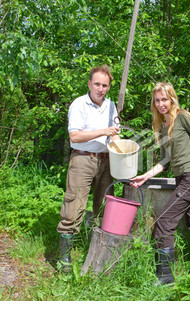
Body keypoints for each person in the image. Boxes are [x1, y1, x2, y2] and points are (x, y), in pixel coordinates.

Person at [130, 82, 190, 286]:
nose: (161, 103)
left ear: (171, 98)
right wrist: (145, 176)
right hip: (182, 178)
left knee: (164, 221)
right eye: (157, 100)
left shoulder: (182, 116)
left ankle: (165, 277)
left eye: (164, 99)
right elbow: (165, 160)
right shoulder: (163, 127)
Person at [57, 65, 120, 273]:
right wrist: (104, 131)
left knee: (104, 206)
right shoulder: (78, 105)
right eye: (97, 84)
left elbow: (115, 134)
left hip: (106, 160)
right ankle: (64, 258)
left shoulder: (111, 106)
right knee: (74, 206)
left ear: (109, 87)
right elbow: (75, 136)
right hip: (83, 160)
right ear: (89, 84)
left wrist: (121, 149)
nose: (100, 89)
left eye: (105, 85)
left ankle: (98, 252)